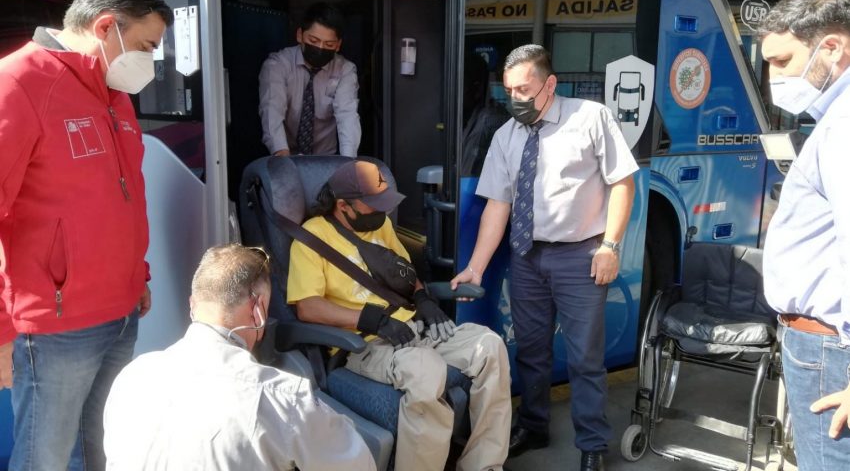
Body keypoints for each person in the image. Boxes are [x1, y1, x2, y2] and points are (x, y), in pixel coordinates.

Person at [0, 0, 172, 470]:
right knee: (46, 457)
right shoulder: (19, 83)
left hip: (119, 313)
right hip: (55, 325)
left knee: (102, 448)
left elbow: (125, 196)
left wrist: (135, 275)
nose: (150, 61)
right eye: (145, 44)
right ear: (104, 27)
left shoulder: (114, 95)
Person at [450, 44, 638, 471]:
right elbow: (498, 206)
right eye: (509, 90)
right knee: (531, 351)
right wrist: (476, 266)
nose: (516, 99)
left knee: (585, 357)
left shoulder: (590, 118)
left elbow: (622, 183)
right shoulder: (506, 135)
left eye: (525, 89)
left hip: (580, 257)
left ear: (550, 84)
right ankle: (533, 425)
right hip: (527, 259)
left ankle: (592, 444)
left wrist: (609, 246)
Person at [287, 160, 512, 471]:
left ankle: (484, 465)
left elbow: (405, 276)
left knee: (489, 346)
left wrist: (422, 298)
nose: (382, 214)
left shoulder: (380, 226)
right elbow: (307, 307)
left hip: (411, 326)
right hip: (364, 343)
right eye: (373, 206)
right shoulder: (311, 238)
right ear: (343, 206)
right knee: (426, 370)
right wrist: (372, 320)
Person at [103, 244, 376, 470]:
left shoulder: (131, 378)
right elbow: (358, 463)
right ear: (257, 310)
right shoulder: (281, 398)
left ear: (192, 305)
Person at [757, 0, 850, 470]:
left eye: (782, 60)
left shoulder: (842, 128)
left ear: (831, 48)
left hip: (831, 350)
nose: (773, 77)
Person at [259, 2, 360, 157]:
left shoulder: (345, 70)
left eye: (329, 44)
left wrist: (348, 163)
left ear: (338, 45)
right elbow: (272, 111)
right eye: (313, 41)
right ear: (300, 35)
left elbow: (347, 116)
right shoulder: (277, 65)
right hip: (285, 155)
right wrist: (282, 159)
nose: (320, 48)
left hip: (325, 158)